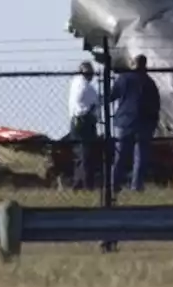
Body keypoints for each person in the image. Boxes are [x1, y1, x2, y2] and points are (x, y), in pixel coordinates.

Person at [108, 54, 160, 192]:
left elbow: (111, 96)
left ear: (133, 64)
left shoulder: (124, 79)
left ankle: (114, 185)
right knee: (141, 156)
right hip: (144, 122)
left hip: (124, 121)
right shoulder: (149, 82)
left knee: (120, 155)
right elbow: (156, 104)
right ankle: (136, 186)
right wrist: (154, 123)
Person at [67, 61, 100, 190]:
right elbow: (95, 102)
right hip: (85, 121)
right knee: (87, 155)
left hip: (74, 121)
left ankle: (78, 183)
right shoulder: (87, 87)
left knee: (79, 155)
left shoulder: (75, 83)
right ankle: (87, 185)